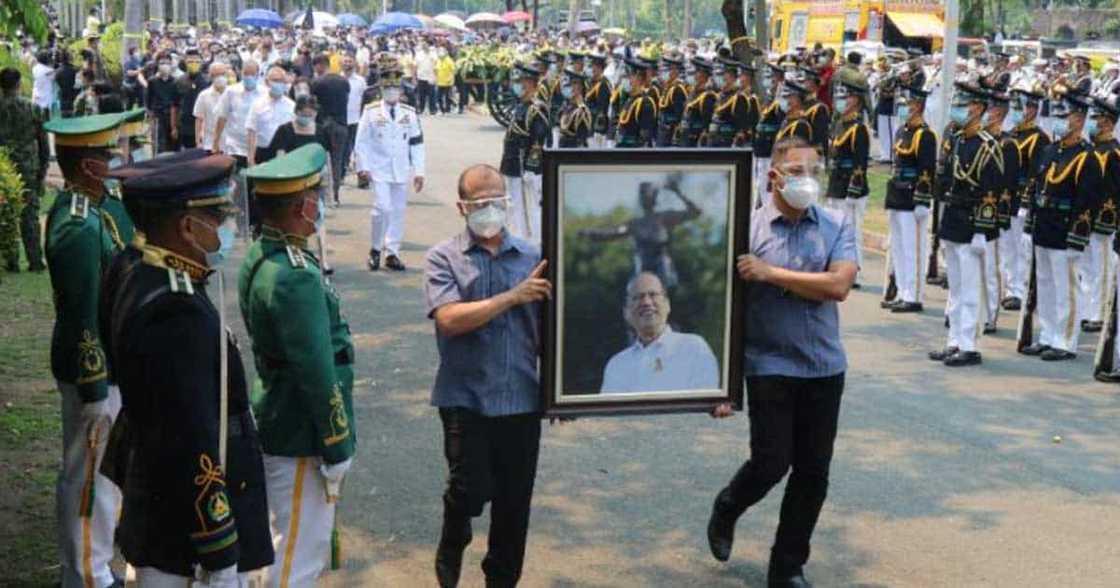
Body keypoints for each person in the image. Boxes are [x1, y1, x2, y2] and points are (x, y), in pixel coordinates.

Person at [100, 150, 274, 587]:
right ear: (186, 226)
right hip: (183, 533)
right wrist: (218, 545)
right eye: (218, 218)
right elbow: (192, 432)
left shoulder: (134, 265)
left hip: (156, 501)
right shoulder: (177, 312)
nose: (226, 228)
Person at [706, 136, 857, 588]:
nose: (806, 180)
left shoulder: (836, 224)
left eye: (813, 171)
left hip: (824, 366)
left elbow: (839, 286)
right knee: (772, 462)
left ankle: (787, 565)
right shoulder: (747, 231)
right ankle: (730, 504)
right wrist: (721, 386)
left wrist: (772, 275)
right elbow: (722, 310)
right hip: (769, 362)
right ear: (773, 176)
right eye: (796, 171)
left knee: (813, 473)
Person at [424, 163, 550, 588]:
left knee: (514, 506)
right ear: (463, 206)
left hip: (521, 398)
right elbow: (449, 319)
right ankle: (454, 530)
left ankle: (501, 580)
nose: (492, 210)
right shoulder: (444, 257)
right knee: (470, 490)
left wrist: (563, 391)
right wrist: (512, 296)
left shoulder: (533, 257)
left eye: (498, 200)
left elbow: (552, 330)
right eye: (482, 203)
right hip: (466, 398)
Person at [240, 144, 357, 587]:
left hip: (280, 413)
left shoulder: (265, 255)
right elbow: (316, 370)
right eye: (316, 196)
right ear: (303, 205)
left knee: (284, 544)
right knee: (296, 557)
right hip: (301, 430)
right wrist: (337, 442)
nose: (319, 204)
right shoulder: (294, 275)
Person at [42, 112, 127, 588]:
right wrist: (95, 380)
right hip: (92, 371)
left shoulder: (93, 210)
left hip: (109, 366)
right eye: (107, 157)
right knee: (88, 478)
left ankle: (95, 566)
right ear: (90, 167)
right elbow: (81, 314)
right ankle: (86, 576)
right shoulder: (77, 226)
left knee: (103, 477)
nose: (115, 163)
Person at [928, 83, 1005, 367]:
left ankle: (970, 345)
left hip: (972, 223)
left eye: (965, 101)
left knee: (971, 288)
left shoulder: (989, 146)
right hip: (954, 220)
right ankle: (955, 341)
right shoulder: (958, 140)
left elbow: (990, 192)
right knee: (957, 288)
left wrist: (982, 231)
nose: (959, 105)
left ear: (978, 108)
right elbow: (947, 181)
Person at [355, 59, 426, 271]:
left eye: (396, 87)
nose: (392, 91)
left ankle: (392, 252)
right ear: (382, 89)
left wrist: (419, 171)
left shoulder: (409, 113)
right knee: (382, 208)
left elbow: (416, 143)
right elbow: (362, 141)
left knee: (397, 211)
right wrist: (362, 167)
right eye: (389, 88)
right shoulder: (371, 111)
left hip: (401, 169)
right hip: (378, 168)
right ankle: (376, 249)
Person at [600, 272, 719, 393]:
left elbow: (705, 405)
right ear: (626, 312)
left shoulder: (694, 348)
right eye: (638, 297)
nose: (646, 302)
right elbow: (607, 411)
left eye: (653, 295)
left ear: (667, 305)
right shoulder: (616, 366)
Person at [579, 177, 701, 290]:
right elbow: (613, 233)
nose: (644, 196)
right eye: (642, 193)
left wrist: (678, 192)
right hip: (643, 268)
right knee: (638, 290)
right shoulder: (635, 224)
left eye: (647, 192)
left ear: (655, 197)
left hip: (662, 269)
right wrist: (590, 233)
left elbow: (695, 212)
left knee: (661, 289)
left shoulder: (665, 217)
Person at [882, 84, 937, 313]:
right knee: (898, 247)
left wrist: (923, 200)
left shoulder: (925, 135)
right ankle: (903, 290)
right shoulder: (902, 131)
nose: (904, 108)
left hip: (913, 196)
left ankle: (913, 295)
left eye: (908, 104)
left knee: (913, 248)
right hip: (897, 193)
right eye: (903, 104)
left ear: (919, 106)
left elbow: (927, 169)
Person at [1003, 86, 1051, 311]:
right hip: (1007, 195)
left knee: (1022, 246)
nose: (1016, 111)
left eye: (1020, 106)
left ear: (1032, 110)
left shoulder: (1038, 138)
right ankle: (1011, 286)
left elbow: (1036, 172)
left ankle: (1020, 289)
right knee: (1008, 244)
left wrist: (1026, 200)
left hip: (1022, 198)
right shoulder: (1013, 133)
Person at [1076, 96, 1119, 334]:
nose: (1094, 123)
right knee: (1086, 266)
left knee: (1102, 265)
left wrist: (1107, 218)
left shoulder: (1114, 152)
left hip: (1104, 218)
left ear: (1109, 123)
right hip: (1086, 216)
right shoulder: (1093, 150)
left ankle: (1099, 312)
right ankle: (1086, 309)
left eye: (1098, 119)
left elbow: (1113, 189)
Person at [0, 67, 50, 272]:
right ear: (19, 84)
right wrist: (43, 168)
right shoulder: (32, 108)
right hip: (28, 166)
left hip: (4, 167)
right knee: (30, 214)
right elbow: (44, 143)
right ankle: (35, 260)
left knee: (5, 211)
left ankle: (11, 260)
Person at [823, 79, 872, 287]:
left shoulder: (858, 128)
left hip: (850, 186)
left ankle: (854, 270)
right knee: (835, 229)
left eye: (848, 96)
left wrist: (854, 188)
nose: (842, 100)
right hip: (836, 183)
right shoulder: (840, 123)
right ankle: (839, 266)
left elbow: (860, 162)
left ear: (857, 101)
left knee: (852, 231)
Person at [497, 63, 550, 242]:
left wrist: (531, 167)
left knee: (530, 207)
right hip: (512, 163)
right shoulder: (522, 106)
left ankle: (534, 243)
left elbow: (539, 140)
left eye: (522, 82)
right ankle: (517, 239)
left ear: (531, 84)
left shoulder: (536, 108)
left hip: (524, 166)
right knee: (513, 206)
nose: (518, 85)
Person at [310, 54, 350, 205]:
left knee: (321, 160)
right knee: (337, 160)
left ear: (320, 65)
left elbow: (313, 104)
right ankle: (336, 195)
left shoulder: (317, 82)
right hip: (341, 124)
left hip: (323, 125)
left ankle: (322, 194)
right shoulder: (344, 81)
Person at [246, 65, 295, 166]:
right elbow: (251, 131)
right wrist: (250, 158)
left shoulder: (291, 106)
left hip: (285, 154)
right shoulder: (257, 104)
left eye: (282, 81)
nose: (279, 84)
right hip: (263, 152)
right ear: (267, 82)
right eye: (276, 80)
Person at [615, 57, 658, 148]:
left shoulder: (645, 102)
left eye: (631, 76)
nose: (629, 79)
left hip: (633, 152)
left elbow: (645, 136)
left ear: (639, 77)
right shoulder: (631, 98)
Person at [675, 57, 717, 148]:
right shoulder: (694, 90)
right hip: (687, 132)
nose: (695, 75)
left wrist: (705, 131)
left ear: (704, 75)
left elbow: (707, 116)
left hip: (697, 134)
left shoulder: (707, 94)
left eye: (697, 72)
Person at [146, 52, 180, 153]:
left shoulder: (176, 82)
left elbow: (177, 101)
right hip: (158, 115)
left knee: (173, 142)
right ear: (157, 64)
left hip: (172, 116)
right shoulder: (152, 81)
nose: (165, 65)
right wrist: (150, 115)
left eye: (167, 63)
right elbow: (148, 100)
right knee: (159, 142)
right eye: (162, 63)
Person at [193, 61, 229, 153]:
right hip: (209, 143)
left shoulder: (233, 94)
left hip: (230, 144)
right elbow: (199, 118)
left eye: (222, 74)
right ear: (210, 76)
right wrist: (198, 141)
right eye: (215, 75)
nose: (219, 78)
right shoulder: (204, 95)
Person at [175, 49, 208, 150]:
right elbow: (175, 105)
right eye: (190, 61)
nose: (193, 64)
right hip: (185, 124)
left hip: (204, 124)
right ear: (185, 62)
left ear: (201, 63)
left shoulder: (207, 80)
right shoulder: (179, 81)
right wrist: (175, 126)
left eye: (197, 62)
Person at [343, 54, 367, 181]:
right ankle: (342, 173)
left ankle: (361, 177)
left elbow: (365, 99)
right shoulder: (338, 79)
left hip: (357, 119)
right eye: (345, 61)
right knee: (344, 148)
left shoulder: (360, 81)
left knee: (358, 148)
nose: (347, 63)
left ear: (354, 63)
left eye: (350, 61)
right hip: (341, 119)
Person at [655, 55, 687, 147]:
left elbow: (679, 114)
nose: (662, 73)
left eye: (666, 70)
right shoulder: (668, 87)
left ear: (674, 71)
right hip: (663, 131)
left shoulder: (677, 89)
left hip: (670, 133)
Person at [556, 68, 592, 148]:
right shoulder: (566, 107)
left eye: (573, 84)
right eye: (569, 84)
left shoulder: (582, 111)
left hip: (574, 154)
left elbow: (581, 140)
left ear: (580, 88)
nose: (569, 87)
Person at [586, 54, 613, 147]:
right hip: (589, 123)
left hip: (597, 128)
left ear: (600, 68)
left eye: (595, 67)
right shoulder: (592, 81)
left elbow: (602, 108)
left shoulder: (603, 84)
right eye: (592, 66)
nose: (593, 69)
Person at [435, 47, 456, 115]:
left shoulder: (449, 60)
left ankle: (447, 110)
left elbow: (453, 71)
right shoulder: (438, 60)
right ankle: (442, 110)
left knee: (448, 97)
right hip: (440, 82)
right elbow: (436, 70)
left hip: (448, 82)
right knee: (439, 97)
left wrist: (450, 79)